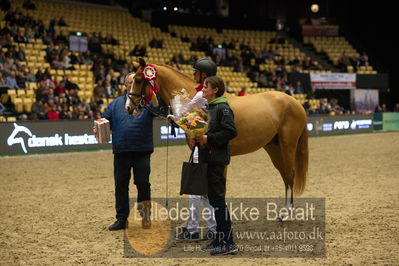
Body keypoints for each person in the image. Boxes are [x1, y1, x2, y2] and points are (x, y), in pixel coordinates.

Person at [94, 72, 155, 231]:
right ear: (125, 85)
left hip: (142, 152)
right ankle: (122, 219)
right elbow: (104, 121)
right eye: (129, 82)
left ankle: (145, 218)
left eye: (135, 81)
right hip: (121, 152)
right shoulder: (114, 105)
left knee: (143, 184)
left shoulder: (148, 104)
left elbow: (161, 107)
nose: (132, 84)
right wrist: (98, 127)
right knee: (121, 186)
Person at [175, 58, 217, 241]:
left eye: (196, 72)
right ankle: (211, 228)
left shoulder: (201, 96)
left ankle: (194, 229)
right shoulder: (208, 97)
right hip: (208, 146)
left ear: (204, 75)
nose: (193, 74)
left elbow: (184, 113)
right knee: (205, 191)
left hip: (202, 145)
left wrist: (174, 115)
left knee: (196, 190)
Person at [197, 76, 238, 255]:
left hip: (216, 160)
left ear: (215, 90)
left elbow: (231, 131)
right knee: (213, 200)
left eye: (206, 87)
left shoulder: (223, 108)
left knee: (218, 201)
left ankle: (228, 242)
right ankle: (219, 239)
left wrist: (208, 138)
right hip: (209, 158)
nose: (203, 89)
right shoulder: (210, 108)